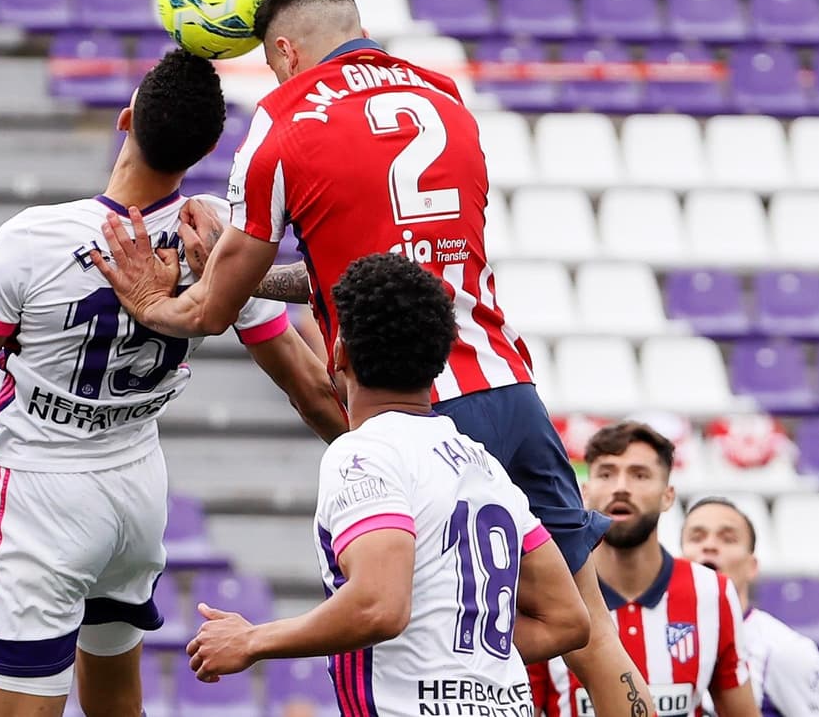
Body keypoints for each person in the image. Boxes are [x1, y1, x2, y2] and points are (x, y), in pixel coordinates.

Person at [94, 0, 655, 717]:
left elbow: (210, 311)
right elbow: (385, 265)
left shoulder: (284, 120)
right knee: (591, 636)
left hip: (416, 411)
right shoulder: (445, 97)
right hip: (508, 386)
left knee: (388, 627)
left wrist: (154, 299)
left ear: (285, 51)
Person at [0, 49, 347, 717]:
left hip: (41, 495)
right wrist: (392, 454)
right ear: (206, 149)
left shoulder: (34, 239)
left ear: (126, 120)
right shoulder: (215, 233)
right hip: (136, 491)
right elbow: (308, 387)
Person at [188, 253, 591, 716]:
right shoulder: (482, 463)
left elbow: (380, 607)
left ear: (338, 352)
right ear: (438, 362)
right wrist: (451, 651)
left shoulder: (365, 453)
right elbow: (567, 619)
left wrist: (253, 640)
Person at [528, 423, 759, 717]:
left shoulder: (713, 592)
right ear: (584, 492)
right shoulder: (550, 592)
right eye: (607, 473)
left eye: (639, 475)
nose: (621, 487)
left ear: (668, 495)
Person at [680, 497, 819, 717]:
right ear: (679, 560)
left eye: (728, 539)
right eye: (697, 537)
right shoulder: (652, 636)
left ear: (752, 567)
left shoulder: (784, 650)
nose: (710, 546)